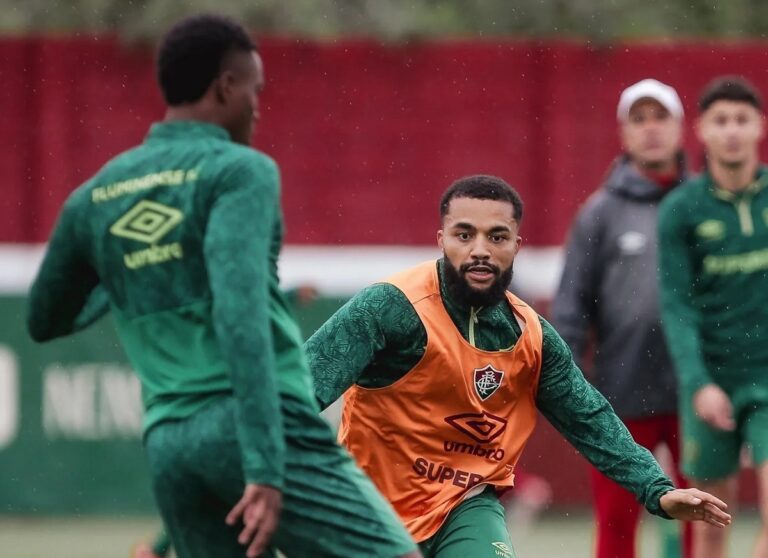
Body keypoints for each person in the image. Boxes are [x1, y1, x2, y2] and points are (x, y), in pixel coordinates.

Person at [26, 14, 418, 558]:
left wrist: (126, 271)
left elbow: (43, 320)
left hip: (169, 442)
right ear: (226, 87)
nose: (258, 106)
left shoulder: (95, 196)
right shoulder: (239, 172)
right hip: (253, 423)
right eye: (255, 90)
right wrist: (262, 463)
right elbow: (240, 315)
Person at [306, 174, 731, 558]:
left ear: (515, 246)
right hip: (371, 506)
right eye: (464, 234)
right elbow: (299, 388)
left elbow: (590, 418)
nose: (480, 251)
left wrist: (657, 490)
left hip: (466, 506)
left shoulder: (532, 336)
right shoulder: (390, 307)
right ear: (441, 239)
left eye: (497, 237)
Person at [551, 78, 692, 558]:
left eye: (661, 118)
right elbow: (570, 306)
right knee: (616, 524)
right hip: (620, 396)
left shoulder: (702, 206)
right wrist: (569, 387)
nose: (651, 130)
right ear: (623, 132)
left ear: (680, 127)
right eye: (640, 119)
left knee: (705, 519)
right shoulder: (599, 214)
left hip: (697, 395)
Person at [658, 76, 768, 558]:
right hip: (711, 382)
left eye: (741, 120)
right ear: (701, 129)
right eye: (720, 121)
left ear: (759, 127)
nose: (731, 131)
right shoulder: (680, 211)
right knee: (711, 527)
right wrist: (698, 382)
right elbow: (677, 307)